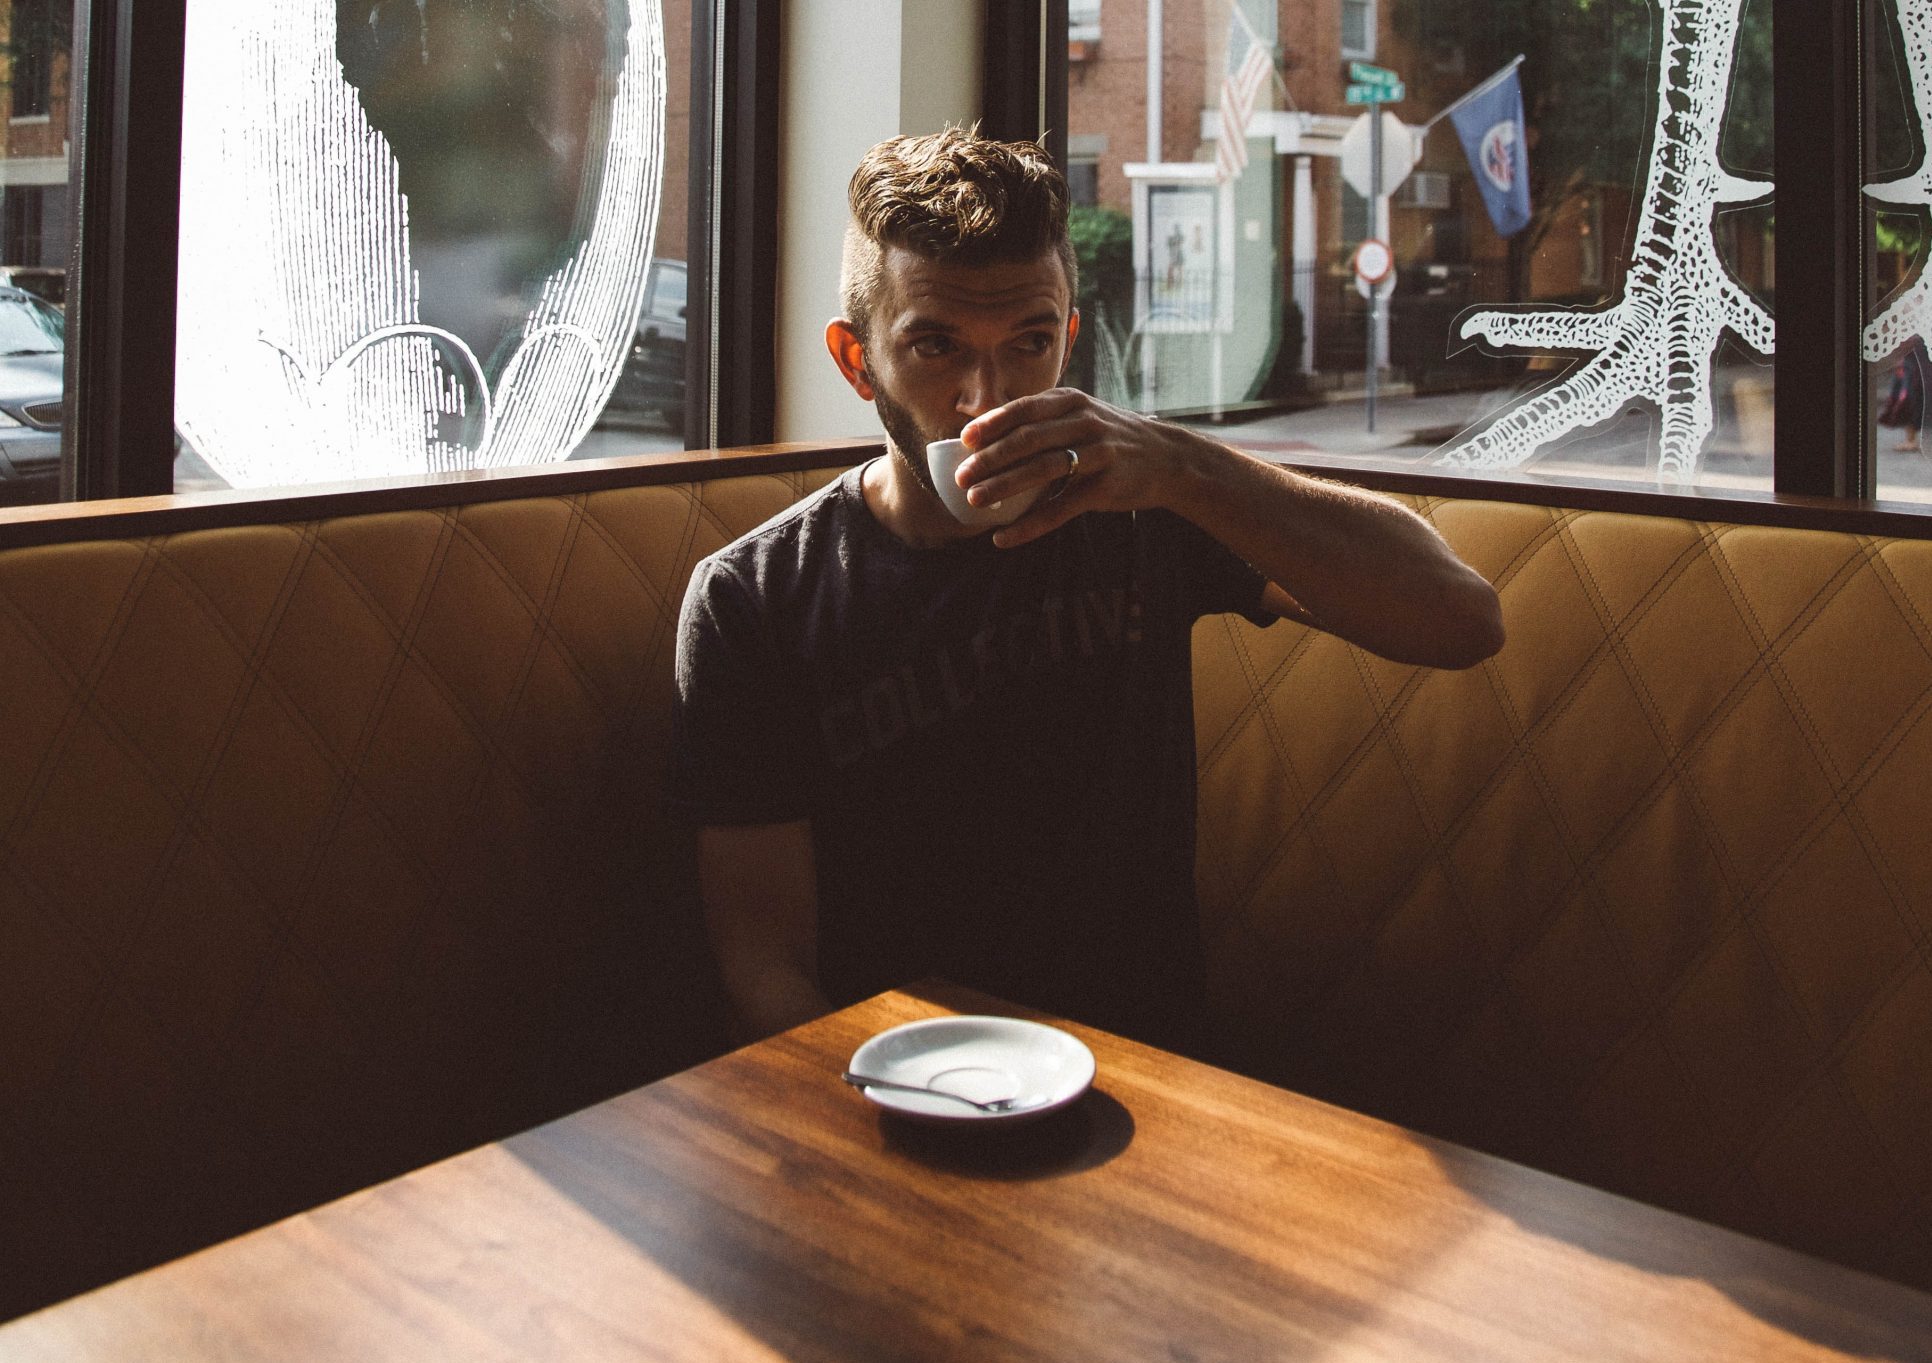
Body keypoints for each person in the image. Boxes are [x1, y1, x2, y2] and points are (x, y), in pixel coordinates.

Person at [669, 129, 1504, 1051]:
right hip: (896, 1089)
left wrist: (1184, 465)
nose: (986, 396)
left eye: (1029, 341)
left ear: (1068, 335)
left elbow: (1462, 617)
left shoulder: (1143, 511)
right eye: (936, 346)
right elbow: (764, 964)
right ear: (857, 360)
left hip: (1148, 1074)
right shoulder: (753, 601)